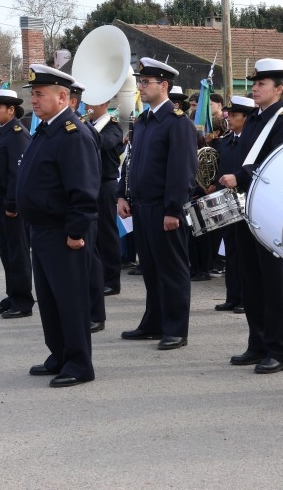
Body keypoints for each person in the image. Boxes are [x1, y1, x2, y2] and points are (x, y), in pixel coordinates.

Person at [18, 64, 100, 387]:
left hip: (64, 232)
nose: (34, 100)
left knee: (70, 300)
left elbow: (84, 190)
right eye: (33, 94)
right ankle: (60, 353)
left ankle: (79, 363)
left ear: (63, 97)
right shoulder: (46, 130)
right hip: (42, 229)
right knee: (50, 300)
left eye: (40, 94)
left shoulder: (73, 134)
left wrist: (76, 232)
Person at [218, 58, 283, 374]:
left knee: (274, 283)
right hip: (247, 208)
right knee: (250, 280)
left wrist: (240, 176)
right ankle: (257, 343)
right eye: (254, 83)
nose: (254, 88)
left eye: (261, 83)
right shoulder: (253, 119)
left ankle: (278, 350)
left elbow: (280, 165)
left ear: (279, 89)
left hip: (272, 210)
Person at [117, 57, 197, 350]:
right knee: (150, 269)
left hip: (164, 208)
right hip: (141, 206)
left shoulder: (177, 123)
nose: (140, 86)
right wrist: (122, 194)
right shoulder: (143, 121)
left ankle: (176, 329)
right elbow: (131, 162)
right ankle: (153, 322)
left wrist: (173, 209)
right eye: (140, 81)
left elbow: (181, 170)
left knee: (172, 270)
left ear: (164, 85)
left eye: (145, 82)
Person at [0, 89, 35, 319]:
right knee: (7, 252)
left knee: (17, 252)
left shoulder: (17, 134)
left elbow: (17, 173)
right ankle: (12, 295)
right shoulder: (2, 132)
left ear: (11, 110)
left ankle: (22, 301)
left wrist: (12, 203)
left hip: (9, 204)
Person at [84, 96, 125, 331]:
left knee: (107, 233)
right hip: (91, 184)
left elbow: (100, 143)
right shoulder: (89, 125)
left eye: (91, 103)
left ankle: (112, 280)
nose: (87, 107)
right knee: (93, 233)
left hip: (106, 184)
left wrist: (83, 127)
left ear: (103, 104)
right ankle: (98, 278)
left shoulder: (113, 127)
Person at [211, 96, 253, 313]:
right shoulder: (227, 140)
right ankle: (233, 296)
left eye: (234, 115)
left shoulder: (252, 142)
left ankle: (247, 298)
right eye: (229, 114)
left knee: (246, 253)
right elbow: (222, 167)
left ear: (246, 118)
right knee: (231, 249)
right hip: (227, 200)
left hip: (246, 199)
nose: (229, 118)